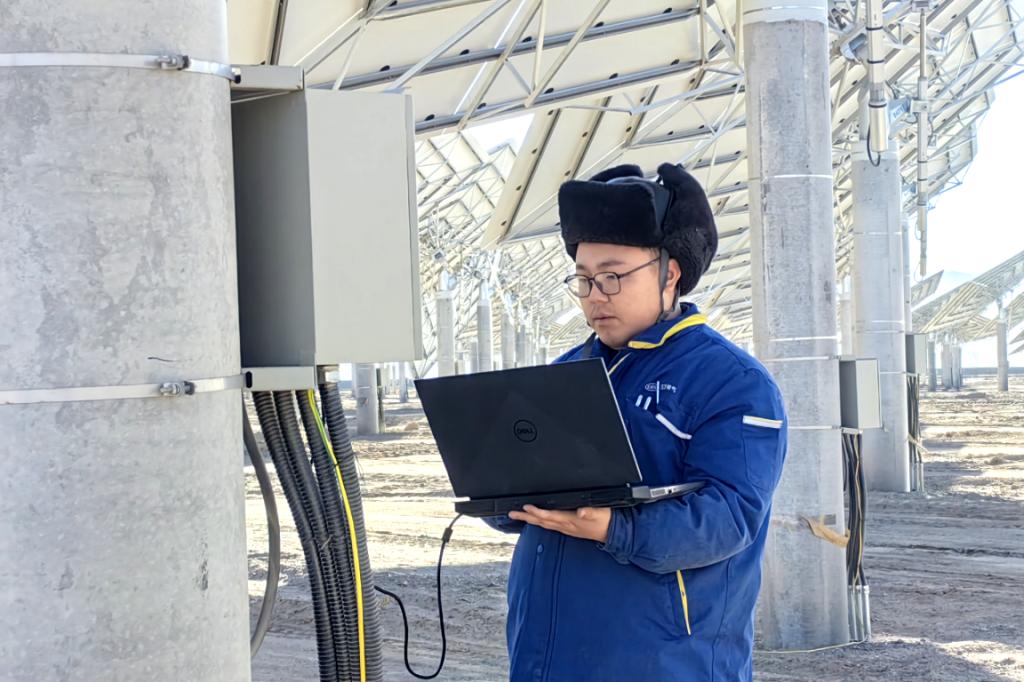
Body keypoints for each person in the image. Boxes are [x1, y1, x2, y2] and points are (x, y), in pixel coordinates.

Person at [484, 162, 788, 681]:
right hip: (548, 656)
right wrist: (499, 493)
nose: (595, 295)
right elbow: (523, 492)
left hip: (665, 661)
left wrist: (614, 528)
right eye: (583, 280)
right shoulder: (565, 374)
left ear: (670, 273)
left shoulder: (732, 381)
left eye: (612, 276)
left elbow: (730, 517)